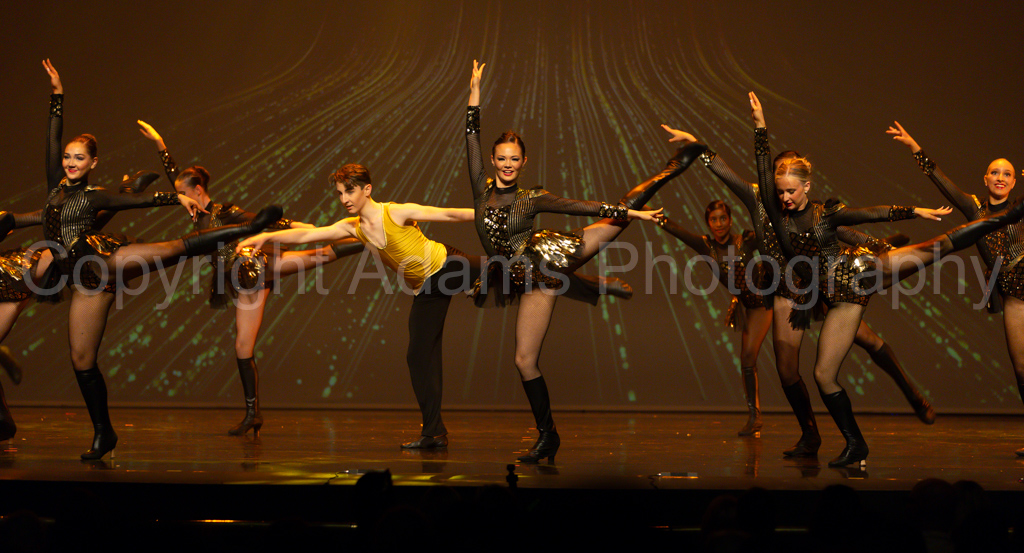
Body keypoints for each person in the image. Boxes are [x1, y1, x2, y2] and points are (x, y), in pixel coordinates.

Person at [751, 91, 1024, 466]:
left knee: (935, 247)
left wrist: (914, 211)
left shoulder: (821, 214)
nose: (783, 196)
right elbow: (761, 173)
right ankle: (856, 445)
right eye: (779, 190)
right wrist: (759, 129)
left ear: (806, 187)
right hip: (840, 298)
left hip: (859, 271)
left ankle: (1003, 217)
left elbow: (867, 214)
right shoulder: (772, 208)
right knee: (823, 374)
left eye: (790, 189)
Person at [41, 59, 283, 459]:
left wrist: (176, 197)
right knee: (81, 359)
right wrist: (57, 95)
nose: (70, 162)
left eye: (79, 158)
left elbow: (137, 201)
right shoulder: (55, 186)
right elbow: (51, 139)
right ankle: (104, 433)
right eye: (68, 156)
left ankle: (248, 227)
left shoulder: (95, 195)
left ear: (92, 164)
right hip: (80, 280)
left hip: (100, 261)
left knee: (172, 249)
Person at [466, 61, 698, 462]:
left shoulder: (531, 198)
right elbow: (469, 137)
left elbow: (583, 206)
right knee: (524, 360)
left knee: (615, 216)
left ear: (523, 162)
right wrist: (474, 93)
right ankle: (549, 436)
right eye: (501, 158)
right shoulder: (479, 188)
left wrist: (636, 215)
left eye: (514, 159)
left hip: (546, 261)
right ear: (492, 159)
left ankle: (679, 162)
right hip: (520, 276)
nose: (506, 164)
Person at [659, 127, 935, 456]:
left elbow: (844, 231)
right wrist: (696, 145)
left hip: (822, 284)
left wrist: (880, 246)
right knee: (786, 368)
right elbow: (725, 172)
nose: (785, 188)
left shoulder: (809, 210)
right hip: (787, 290)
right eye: (780, 175)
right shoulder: (761, 202)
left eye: (791, 178)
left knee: (868, 339)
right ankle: (810, 435)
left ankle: (911, 392)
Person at [137, 121, 364, 437]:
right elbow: (176, 177)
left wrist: (300, 227)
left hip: (253, 265)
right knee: (243, 346)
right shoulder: (195, 212)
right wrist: (160, 144)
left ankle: (369, 236)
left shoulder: (223, 211)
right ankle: (253, 414)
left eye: (183, 194)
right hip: (244, 280)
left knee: (318, 254)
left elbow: (261, 220)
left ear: (198, 191)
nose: (180, 199)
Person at [239, 163, 483, 450]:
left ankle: (503, 273)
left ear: (367, 190)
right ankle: (434, 433)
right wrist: (265, 236)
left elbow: (449, 214)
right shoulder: (352, 227)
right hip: (426, 289)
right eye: (340, 193)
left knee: (511, 272)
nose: (345, 199)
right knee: (418, 357)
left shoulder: (395, 212)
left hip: (448, 266)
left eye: (350, 191)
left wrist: (490, 214)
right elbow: (306, 236)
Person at [657, 200, 918, 436]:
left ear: (730, 219)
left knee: (863, 335)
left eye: (723, 218)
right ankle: (759, 418)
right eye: (713, 219)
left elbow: (782, 242)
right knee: (751, 358)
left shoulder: (745, 240)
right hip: (758, 305)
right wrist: (649, 213)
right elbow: (675, 229)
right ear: (707, 223)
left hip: (782, 291)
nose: (719, 224)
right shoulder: (705, 246)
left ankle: (909, 389)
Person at [887, 122, 1024, 455]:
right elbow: (942, 182)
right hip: (1013, 294)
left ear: (1014, 182)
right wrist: (914, 147)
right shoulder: (975, 209)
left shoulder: (1020, 208)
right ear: (986, 179)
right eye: (995, 173)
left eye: (1007, 174)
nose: (1001, 178)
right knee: (1021, 368)